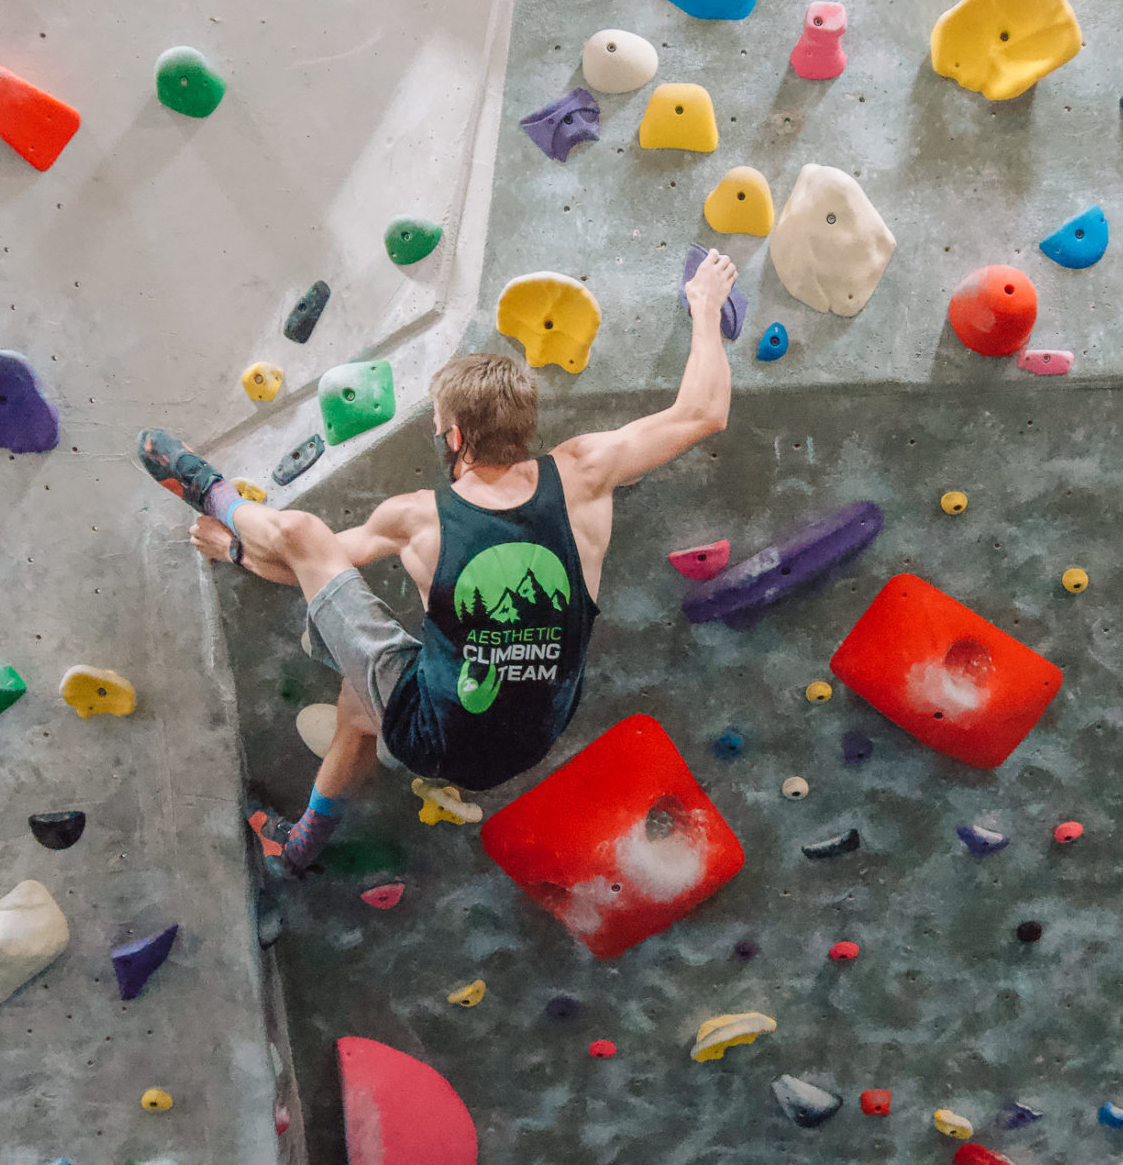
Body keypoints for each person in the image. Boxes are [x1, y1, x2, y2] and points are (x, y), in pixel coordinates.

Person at [138, 248, 740, 873]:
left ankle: (211, 491)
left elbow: (310, 565)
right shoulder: (585, 471)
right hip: (534, 739)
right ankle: (297, 850)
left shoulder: (418, 516)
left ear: (452, 436)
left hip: (433, 735)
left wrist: (235, 547)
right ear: (523, 422)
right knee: (355, 704)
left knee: (308, 536)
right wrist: (704, 305)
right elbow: (703, 412)